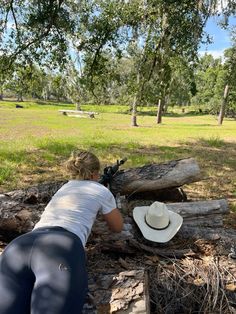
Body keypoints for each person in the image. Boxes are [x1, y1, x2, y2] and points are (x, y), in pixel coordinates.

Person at [0, 150, 123, 314]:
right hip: (60, 248)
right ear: (95, 174)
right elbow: (117, 227)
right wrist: (109, 198)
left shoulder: (64, 187)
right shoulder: (101, 191)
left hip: (19, 246)